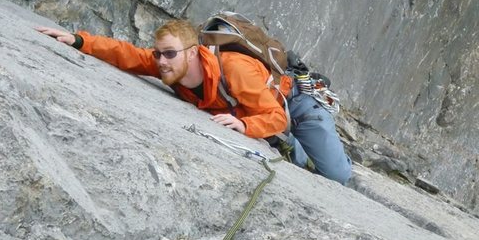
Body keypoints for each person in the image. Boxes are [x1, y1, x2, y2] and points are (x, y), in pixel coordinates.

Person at [35, 20, 352, 184]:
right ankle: (296, 149)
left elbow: (276, 116)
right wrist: (79, 40)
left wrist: (244, 125)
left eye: (169, 54)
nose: (160, 62)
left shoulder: (234, 70)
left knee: (336, 176)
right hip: (255, 105)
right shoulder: (172, 66)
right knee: (290, 152)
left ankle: (323, 145)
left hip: (295, 103)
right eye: (159, 54)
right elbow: (128, 54)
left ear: (191, 52)